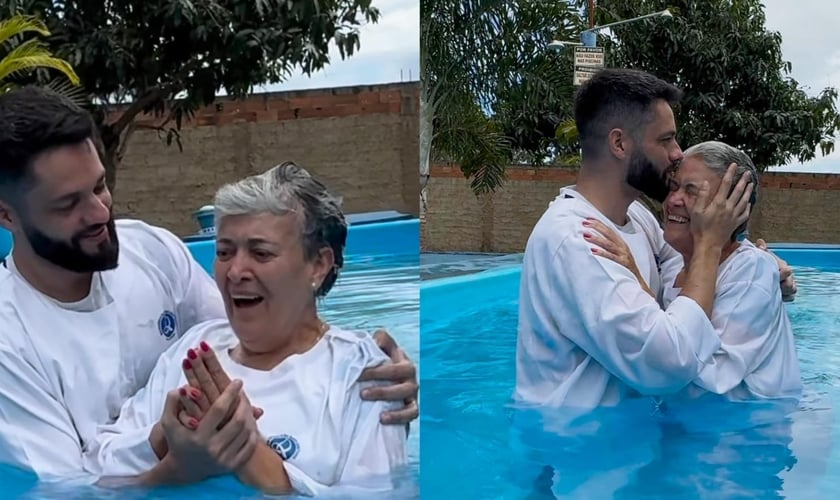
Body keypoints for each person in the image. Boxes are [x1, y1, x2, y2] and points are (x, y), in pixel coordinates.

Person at [0, 85, 418, 480]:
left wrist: (376, 363)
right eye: (68, 204)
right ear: (6, 216)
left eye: (100, 187)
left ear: (319, 264)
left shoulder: (152, 253)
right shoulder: (10, 338)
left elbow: (258, 334)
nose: (98, 214)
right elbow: (67, 487)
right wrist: (178, 461)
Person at [83, 162, 407, 495]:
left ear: (319, 265)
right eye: (224, 251)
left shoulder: (361, 373)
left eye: (261, 253)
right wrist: (166, 436)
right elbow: (96, 468)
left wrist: (248, 453)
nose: (235, 270)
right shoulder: (196, 347)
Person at [514, 68, 795, 409]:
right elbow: (670, 363)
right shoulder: (579, 238)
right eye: (665, 139)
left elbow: (693, 255)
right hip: (576, 442)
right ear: (619, 143)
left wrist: (765, 263)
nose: (678, 153)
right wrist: (710, 246)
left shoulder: (638, 219)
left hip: (624, 439)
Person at [585, 141, 802, 402]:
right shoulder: (675, 262)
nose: (674, 200)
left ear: (732, 207)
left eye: (692, 192)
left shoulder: (751, 270)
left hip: (747, 430)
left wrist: (638, 286)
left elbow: (705, 379)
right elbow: (673, 334)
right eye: (674, 186)